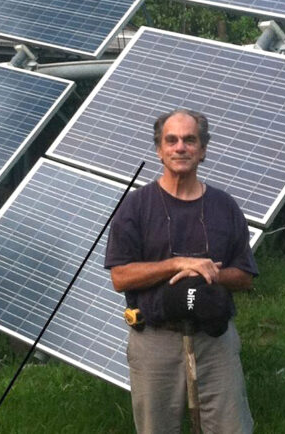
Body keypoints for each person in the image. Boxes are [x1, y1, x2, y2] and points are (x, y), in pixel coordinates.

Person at [105, 109, 258, 434]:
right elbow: (120, 277)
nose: (180, 147)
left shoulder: (224, 207)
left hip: (215, 340)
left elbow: (244, 275)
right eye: (171, 140)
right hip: (156, 340)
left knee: (232, 429)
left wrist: (209, 275)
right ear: (159, 150)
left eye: (190, 140)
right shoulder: (136, 206)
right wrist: (177, 264)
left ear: (202, 149)